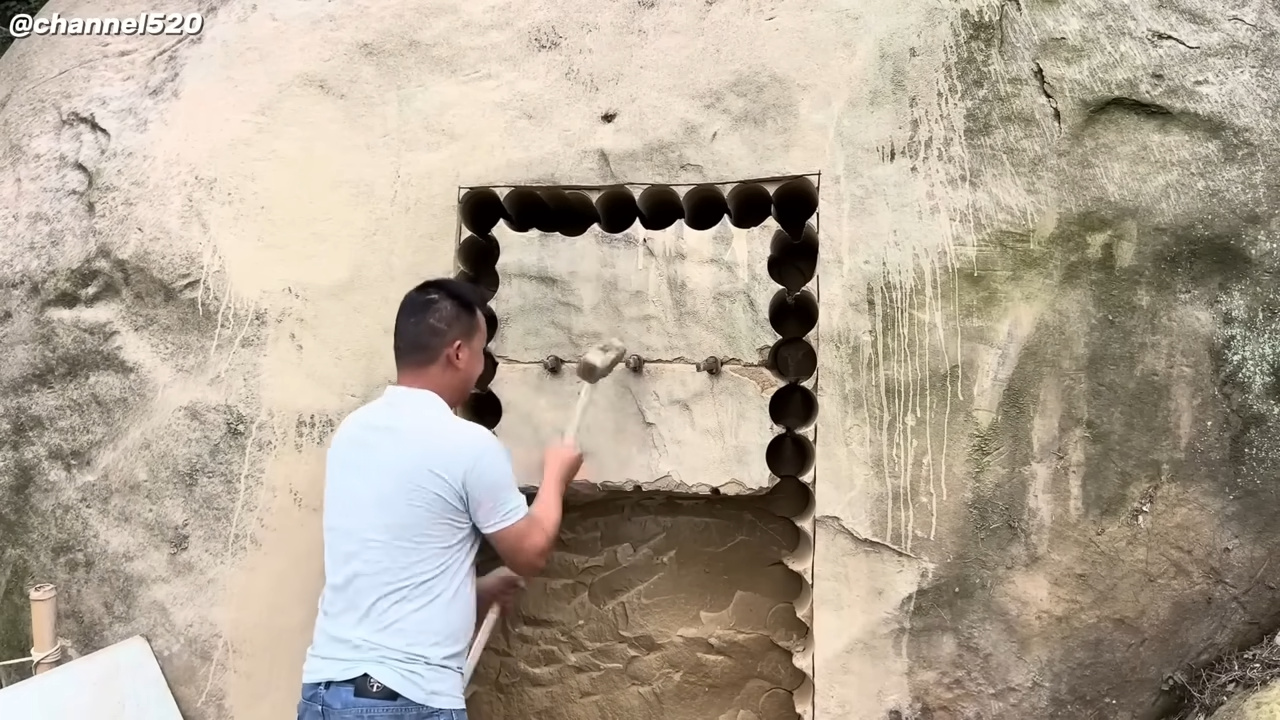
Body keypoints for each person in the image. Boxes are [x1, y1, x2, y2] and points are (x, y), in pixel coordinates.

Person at [297, 277, 584, 720]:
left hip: (326, 693)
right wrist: (555, 478)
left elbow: (393, 561)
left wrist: (475, 592)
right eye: (482, 352)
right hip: (403, 700)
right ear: (458, 353)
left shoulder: (353, 432)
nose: (482, 368)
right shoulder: (467, 445)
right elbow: (529, 553)